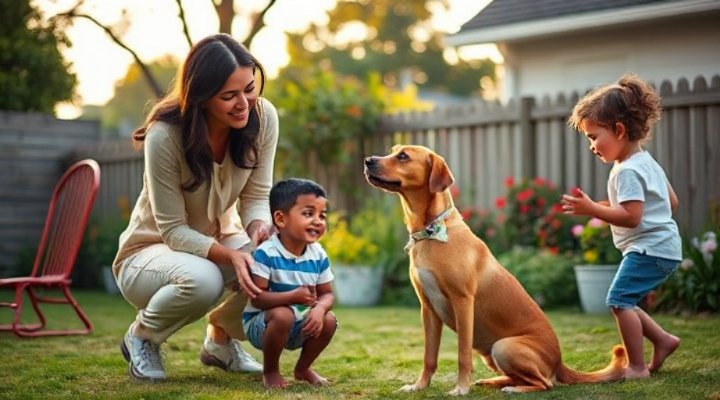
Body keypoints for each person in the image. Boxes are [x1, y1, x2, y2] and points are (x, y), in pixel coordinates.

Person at [113, 33, 278, 381]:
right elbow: (172, 230)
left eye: (249, 88)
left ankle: (221, 340)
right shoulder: (165, 135)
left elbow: (256, 196)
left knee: (276, 260)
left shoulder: (262, 118)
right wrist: (232, 255)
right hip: (148, 255)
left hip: (216, 240)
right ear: (201, 97)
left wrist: (259, 229)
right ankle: (142, 336)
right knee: (203, 280)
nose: (244, 104)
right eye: (228, 96)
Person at [561, 73, 681, 379]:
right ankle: (663, 340)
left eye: (593, 136)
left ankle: (637, 368)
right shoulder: (647, 161)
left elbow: (632, 217)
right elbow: (672, 203)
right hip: (663, 247)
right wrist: (602, 207)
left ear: (618, 129)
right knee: (626, 299)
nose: (591, 146)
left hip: (648, 249)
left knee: (617, 301)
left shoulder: (625, 171)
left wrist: (591, 209)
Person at [242, 178, 337, 388]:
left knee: (329, 320)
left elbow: (328, 294)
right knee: (283, 314)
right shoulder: (266, 253)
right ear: (281, 219)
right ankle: (271, 371)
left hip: (299, 323)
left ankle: (302, 369)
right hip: (262, 324)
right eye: (308, 213)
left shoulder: (318, 255)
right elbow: (257, 299)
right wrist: (292, 297)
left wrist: (320, 309)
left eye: (322, 215)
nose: (318, 221)